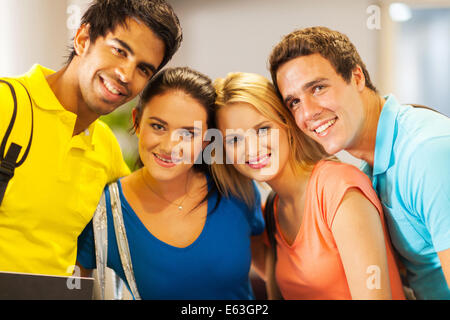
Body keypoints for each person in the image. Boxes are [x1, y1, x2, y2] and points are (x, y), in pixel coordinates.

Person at [0, 0, 182, 276]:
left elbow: (148, 228)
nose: (125, 75)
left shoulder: (106, 148)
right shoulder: (6, 105)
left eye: (143, 69)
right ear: (83, 39)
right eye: (119, 51)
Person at [268, 26, 450, 300]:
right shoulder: (370, 170)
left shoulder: (427, 153)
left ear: (356, 77)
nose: (307, 113)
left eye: (318, 88)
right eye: (294, 102)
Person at [212, 72, 405, 300]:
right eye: (234, 140)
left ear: (286, 124)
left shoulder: (338, 187)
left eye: (262, 129)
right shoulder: (273, 209)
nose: (251, 148)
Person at [76, 67, 265, 300]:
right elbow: (72, 286)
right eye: (158, 126)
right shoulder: (106, 209)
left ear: (206, 141)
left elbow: (271, 267)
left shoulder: (236, 190)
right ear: (136, 122)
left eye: (188, 133)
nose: (169, 146)